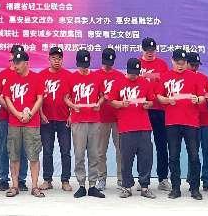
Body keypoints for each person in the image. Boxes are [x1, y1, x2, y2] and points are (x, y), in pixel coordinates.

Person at [155, 48, 204, 201]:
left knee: (194, 156)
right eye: (178, 62)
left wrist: (198, 99)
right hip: (172, 122)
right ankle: (175, 188)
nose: (180, 65)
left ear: (186, 62)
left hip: (191, 122)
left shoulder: (194, 77)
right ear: (172, 61)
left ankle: (195, 188)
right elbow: (158, 96)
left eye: (183, 62)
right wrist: (167, 100)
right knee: (174, 156)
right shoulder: (165, 76)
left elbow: (202, 97)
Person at [109, 58, 155, 199]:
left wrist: (148, 104)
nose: (133, 76)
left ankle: (144, 186)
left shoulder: (145, 82)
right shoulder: (118, 82)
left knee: (146, 157)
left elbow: (151, 100)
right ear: (127, 70)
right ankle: (127, 186)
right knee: (126, 158)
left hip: (144, 126)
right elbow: (111, 101)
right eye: (131, 73)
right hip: (126, 127)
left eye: (136, 73)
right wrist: (121, 104)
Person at [3, 49, 45, 198]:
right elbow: (7, 98)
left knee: (33, 155)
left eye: (18, 63)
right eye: (14, 62)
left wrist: (30, 114)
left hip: (32, 124)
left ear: (26, 63)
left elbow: (40, 98)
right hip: (14, 122)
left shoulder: (37, 78)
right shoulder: (10, 78)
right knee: (14, 155)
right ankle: (14, 186)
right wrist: (17, 113)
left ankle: (35, 186)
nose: (15, 65)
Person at [65, 49, 105, 198]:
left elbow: (102, 96)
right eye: (82, 65)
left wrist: (99, 104)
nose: (84, 68)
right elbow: (66, 97)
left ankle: (93, 185)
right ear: (77, 63)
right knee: (79, 154)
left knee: (94, 154)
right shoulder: (71, 78)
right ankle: (81, 184)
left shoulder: (96, 77)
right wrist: (72, 106)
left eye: (86, 65)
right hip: (78, 120)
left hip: (94, 120)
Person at [39, 46, 73, 192]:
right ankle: (47, 180)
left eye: (59, 58)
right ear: (49, 59)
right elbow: (38, 98)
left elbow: (73, 98)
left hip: (64, 119)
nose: (56, 61)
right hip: (46, 119)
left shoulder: (69, 76)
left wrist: (71, 114)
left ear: (62, 60)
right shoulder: (41, 75)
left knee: (65, 151)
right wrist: (41, 114)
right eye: (54, 58)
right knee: (47, 151)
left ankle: (65, 180)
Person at [0, 44, 29, 192]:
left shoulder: (27, 75)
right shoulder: (3, 74)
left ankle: (21, 180)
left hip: (24, 119)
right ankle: (3, 179)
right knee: (5, 148)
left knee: (22, 150)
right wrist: (13, 111)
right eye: (14, 54)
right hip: (6, 118)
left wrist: (22, 114)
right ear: (10, 56)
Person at [139, 37, 170, 190]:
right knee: (142, 146)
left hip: (159, 109)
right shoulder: (137, 64)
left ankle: (163, 178)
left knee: (161, 145)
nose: (150, 53)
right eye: (147, 50)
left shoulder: (162, 64)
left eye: (152, 50)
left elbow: (166, 85)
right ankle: (143, 179)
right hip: (142, 110)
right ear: (142, 49)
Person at [93, 47, 123, 192]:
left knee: (121, 150)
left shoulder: (120, 76)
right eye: (106, 62)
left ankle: (121, 178)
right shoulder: (95, 75)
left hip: (118, 118)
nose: (108, 65)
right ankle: (101, 178)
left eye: (110, 62)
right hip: (101, 118)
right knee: (100, 151)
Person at [185, 52, 208, 192]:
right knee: (193, 153)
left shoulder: (203, 78)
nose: (195, 67)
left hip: (206, 120)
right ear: (185, 63)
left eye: (197, 65)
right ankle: (193, 179)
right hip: (190, 121)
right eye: (192, 65)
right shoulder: (181, 79)